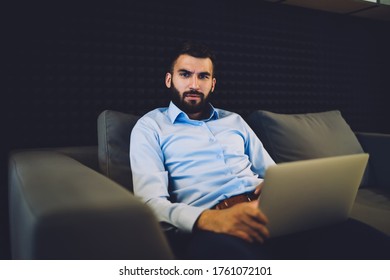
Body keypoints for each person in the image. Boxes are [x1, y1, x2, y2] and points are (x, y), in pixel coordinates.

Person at [130, 41, 390, 259]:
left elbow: (271, 172)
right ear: (169, 79)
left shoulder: (234, 121)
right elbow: (150, 203)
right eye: (185, 74)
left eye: (203, 76)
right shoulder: (150, 127)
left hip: (270, 213)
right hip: (215, 224)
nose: (194, 84)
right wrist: (207, 219)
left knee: (370, 244)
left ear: (213, 83)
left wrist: (277, 188)